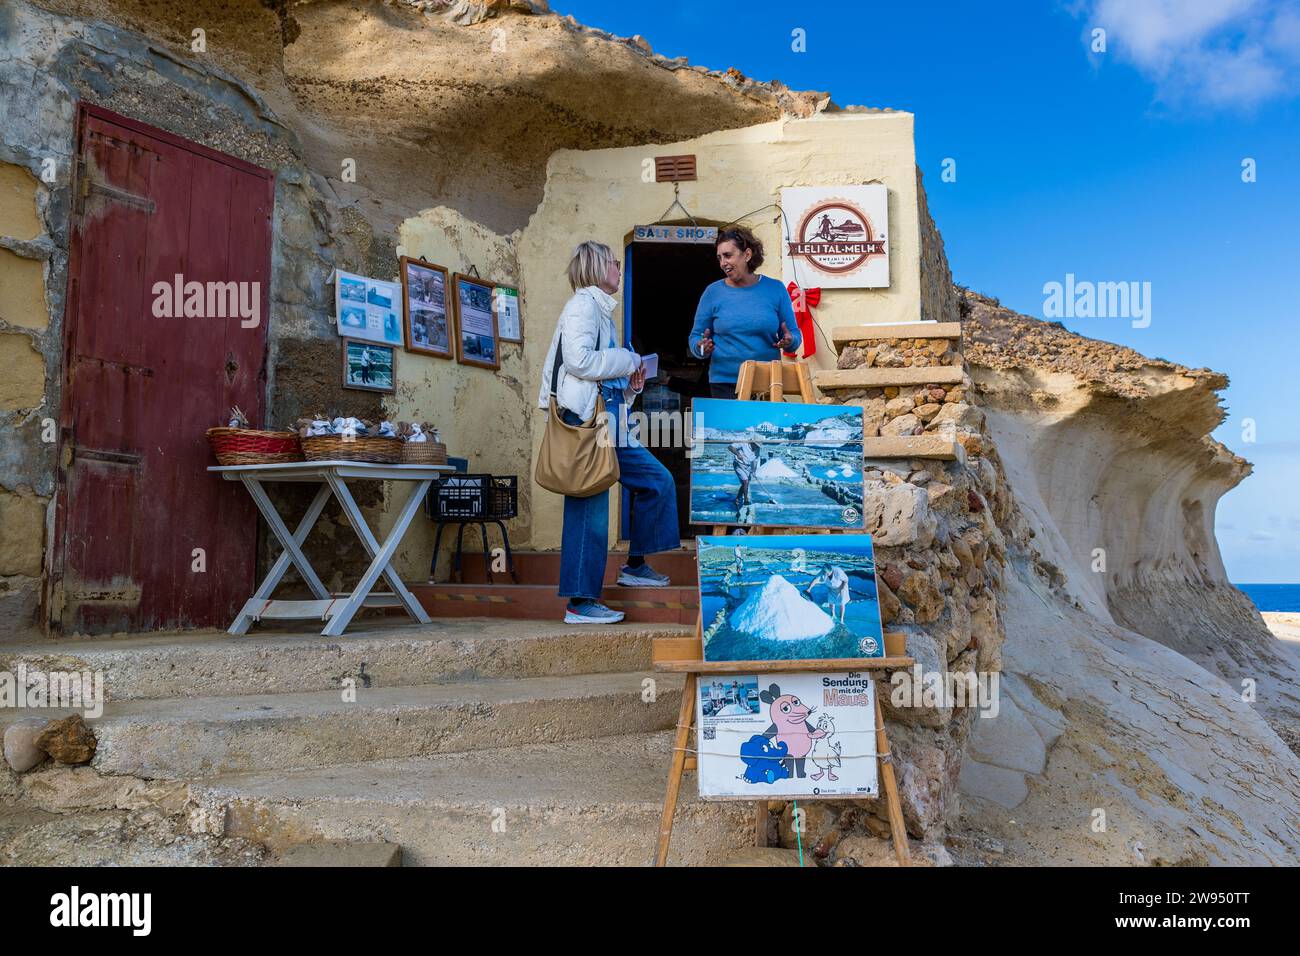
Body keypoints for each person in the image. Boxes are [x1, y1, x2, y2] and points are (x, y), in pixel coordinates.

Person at [538, 241, 681, 624]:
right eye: (614, 263)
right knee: (590, 507)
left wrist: (632, 384)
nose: (619, 268)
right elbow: (579, 361)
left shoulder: (601, 311)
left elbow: (604, 379)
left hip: (610, 418)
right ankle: (580, 603)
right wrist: (630, 359)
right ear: (597, 268)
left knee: (657, 480)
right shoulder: (583, 305)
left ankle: (635, 564)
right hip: (586, 421)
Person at [688, 226, 802, 400]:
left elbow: (793, 335)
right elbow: (696, 337)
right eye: (719, 258)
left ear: (747, 255)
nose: (722, 263)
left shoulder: (776, 289)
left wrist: (789, 341)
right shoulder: (713, 293)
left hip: (767, 382)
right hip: (724, 384)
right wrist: (701, 347)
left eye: (728, 255)